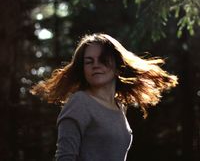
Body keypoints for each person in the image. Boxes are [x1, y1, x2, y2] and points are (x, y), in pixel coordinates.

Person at [30, 33, 178, 161]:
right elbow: (65, 157)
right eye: (89, 61)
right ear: (83, 69)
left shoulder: (120, 106)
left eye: (103, 59)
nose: (96, 65)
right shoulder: (80, 102)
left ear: (118, 65)